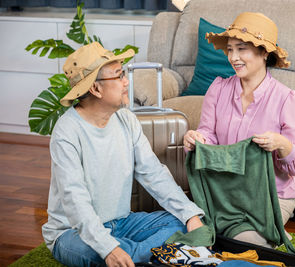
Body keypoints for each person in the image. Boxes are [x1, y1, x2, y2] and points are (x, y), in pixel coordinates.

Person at [42, 42, 204, 267]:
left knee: (181, 224)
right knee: (96, 252)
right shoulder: (67, 131)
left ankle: (129, 256)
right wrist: (107, 247)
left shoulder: (127, 120)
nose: (126, 82)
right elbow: (74, 199)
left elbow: (154, 173)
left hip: (122, 223)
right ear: (95, 89)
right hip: (73, 233)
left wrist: (189, 214)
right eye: (118, 76)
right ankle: (143, 255)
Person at [183, 12, 295, 247]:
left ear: (264, 52)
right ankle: (271, 234)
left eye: (242, 49)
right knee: (191, 231)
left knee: (239, 244)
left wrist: (281, 144)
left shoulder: (286, 99)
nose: (233, 57)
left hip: (270, 198)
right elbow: (208, 136)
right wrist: (196, 138)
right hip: (223, 193)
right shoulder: (218, 89)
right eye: (230, 49)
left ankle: (269, 232)